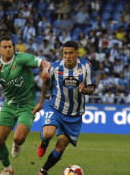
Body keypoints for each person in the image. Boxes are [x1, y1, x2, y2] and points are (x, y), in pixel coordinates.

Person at [0, 35, 50, 175]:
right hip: (9, 105)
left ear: (13, 47)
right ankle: (8, 170)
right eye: (5, 47)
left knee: (18, 138)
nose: (8, 49)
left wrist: (45, 70)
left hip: (27, 104)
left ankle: (17, 144)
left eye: (10, 46)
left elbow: (45, 63)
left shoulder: (22, 58)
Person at [32, 40, 95, 175]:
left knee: (60, 147)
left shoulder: (86, 67)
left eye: (70, 53)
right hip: (56, 108)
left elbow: (92, 89)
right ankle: (44, 142)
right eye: (65, 53)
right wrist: (41, 102)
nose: (67, 56)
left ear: (77, 53)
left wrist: (84, 90)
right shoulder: (55, 67)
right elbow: (45, 84)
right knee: (48, 134)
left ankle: (43, 171)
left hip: (74, 115)